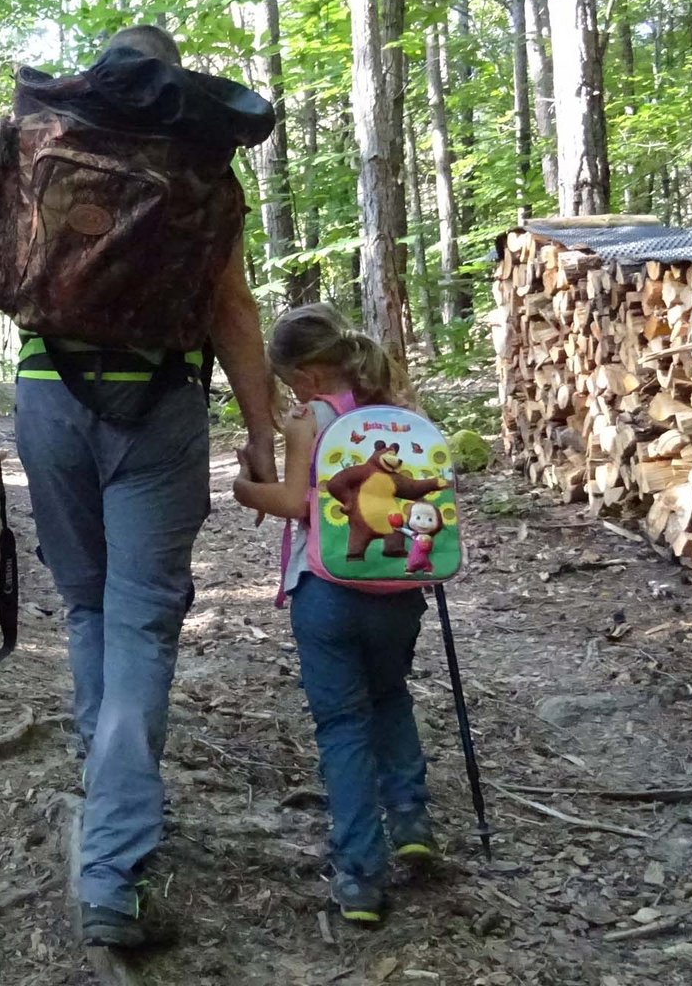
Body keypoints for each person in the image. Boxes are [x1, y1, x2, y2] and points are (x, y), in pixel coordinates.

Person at [0, 24, 277, 949]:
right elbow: (231, 304)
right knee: (144, 618)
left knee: (86, 607)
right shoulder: (201, 156)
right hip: (163, 406)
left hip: (50, 398)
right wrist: (263, 431)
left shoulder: (35, 138)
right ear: (173, 78)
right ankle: (115, 857)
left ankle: (106, 783)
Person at [230, 303, 436, 927]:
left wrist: (243, 489)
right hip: (399, 591)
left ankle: (360, 878)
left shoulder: (312, 418)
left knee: (343, 726)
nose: (290, 392)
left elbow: (295, 503)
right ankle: (412, 821)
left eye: (290, 379)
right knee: (391, 696)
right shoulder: (403, 414)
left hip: (327, 592)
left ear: (311, 375)